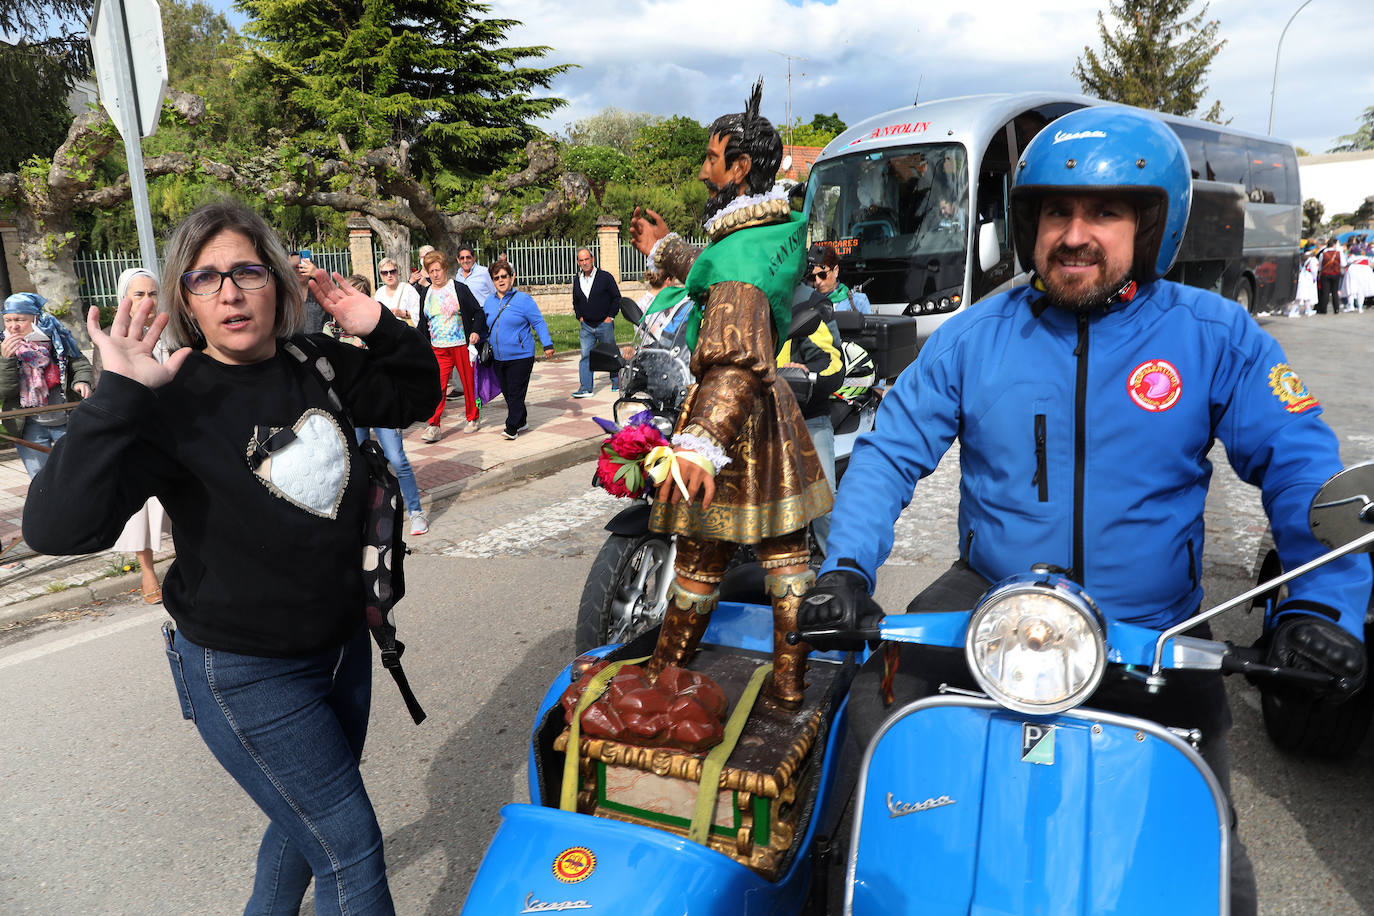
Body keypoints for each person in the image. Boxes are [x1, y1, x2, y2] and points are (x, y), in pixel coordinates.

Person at [798, 107, 1371, 916]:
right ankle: (862, 878)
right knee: (871, 719)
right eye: (1056, 212)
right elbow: (892, 451)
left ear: (1151, 223)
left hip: (1153, 628)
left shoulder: (1217, 336)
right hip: (992, 604)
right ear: (1028, 224)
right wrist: (846, 568)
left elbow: (1302, 467)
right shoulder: (972, 337)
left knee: (1208, 862)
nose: (1076, 233)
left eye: (1104, 212)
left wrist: (1318, 606)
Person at [21, 199, 437, 915]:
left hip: (343, 649)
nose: (229, 292)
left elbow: (416, 394)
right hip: (243, 671)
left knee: (301, 823)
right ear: (184, 297)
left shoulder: (321, 364)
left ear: (276, 281)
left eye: (247, 270)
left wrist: (378, 327)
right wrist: (116, 399)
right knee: (348, 846)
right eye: (204, 278)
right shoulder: (167, 399)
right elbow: (57, 527)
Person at [628, 80, 831, 706]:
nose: (701, 170)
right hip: (773, 424)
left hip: (729, 426)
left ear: (740, 169)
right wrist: (666, 248)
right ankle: (790, 682)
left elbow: (736, 362)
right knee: (786, 560)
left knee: (699, 559)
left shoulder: (741, 253)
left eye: (711, 159)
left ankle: (665, 675)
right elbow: (716, 266)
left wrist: (698, 445)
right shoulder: (766, 233)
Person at [341, 275, 429, 536]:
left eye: (358, 295)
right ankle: (365, 515)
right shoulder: (334, 327)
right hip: (354, 407)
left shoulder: (379, 323)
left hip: (381, 404)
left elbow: (398, 353)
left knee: (396, 458)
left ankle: (416, 512)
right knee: (356, 462)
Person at [108, 268, 170, 602]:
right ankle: (147, 571)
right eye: (138, 294)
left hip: (174, 431)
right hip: (136, 434)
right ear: (124, 301)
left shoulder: (172, 333)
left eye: (152, 293)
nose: (147, 301)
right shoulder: (112, 337)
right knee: (141, 509)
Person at [0, 292, 93, 478]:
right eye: (8, 320)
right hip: (28, 426)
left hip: (66, 421)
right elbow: (4, 390)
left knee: (75, 474)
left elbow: (80, 365)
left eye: (19, 319)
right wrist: (6, 360)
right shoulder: (3, 347)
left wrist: (82, 381)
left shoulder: (58, 339)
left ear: (35, 318)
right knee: (40, 479)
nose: (13, 326)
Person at [482, 257, 554, 440]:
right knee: (507, 392)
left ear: (512, 278)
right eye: (496, 277)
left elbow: (537, 321)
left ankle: (512, 426)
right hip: (498, 356)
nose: (501, 280)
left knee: (515, 391)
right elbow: (484, 325)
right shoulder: (488, 302)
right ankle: (521, 420)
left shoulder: (523, 300)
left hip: (521, 355)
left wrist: (547, 344)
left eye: (504, 276)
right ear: (493, 281)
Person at [418, 249, 485, 441]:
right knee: (437, 387)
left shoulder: (458, 289)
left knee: (468, 383)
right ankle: (433, 425)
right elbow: (423, 323)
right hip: (438, 348)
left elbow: (478, 312)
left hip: (461, 345)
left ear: (445, 269)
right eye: (431, 272)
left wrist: (475, 331)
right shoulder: (426, 293)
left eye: (438, 270)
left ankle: (473, 417)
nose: (435, 275)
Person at [571, 246, 621, 398]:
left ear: (592, 259)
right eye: (581, 260)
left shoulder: (605, 277)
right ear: (578, 262)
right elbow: (576, 301)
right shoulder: (577, 279)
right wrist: (579, 317)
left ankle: (617, 381)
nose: (585, 262)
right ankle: (586, 388)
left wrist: (610, 317)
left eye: (587, 259)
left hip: (603, 324)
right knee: (586, 356)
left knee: (610, 353)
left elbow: (616, 297)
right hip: (586, 325)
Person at [804, 242, 871, 314]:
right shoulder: (807, 303)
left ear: (836, 271)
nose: (818, 282)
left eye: (822, 275)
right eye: (812, 277)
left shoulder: (859, 301)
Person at [374, 257, 420, 325]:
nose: (389, 275)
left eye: (392, 271)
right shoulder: (379, 293)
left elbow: (420, 312)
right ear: (380, 275)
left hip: (406, 332)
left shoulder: (408, 289)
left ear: (397, 272)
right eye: (385, 273)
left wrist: (404, 313)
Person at [1316, 237, 1345, 315]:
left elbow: (1320, 266)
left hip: (1325, 274)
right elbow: (1343, 264)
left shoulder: (1323, 254)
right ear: (1334, 245)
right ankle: (1336, 309)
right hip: (1336, 274)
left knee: (1325, 292)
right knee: (1334, 292)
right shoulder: (1339, 253)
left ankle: (1323, 309)